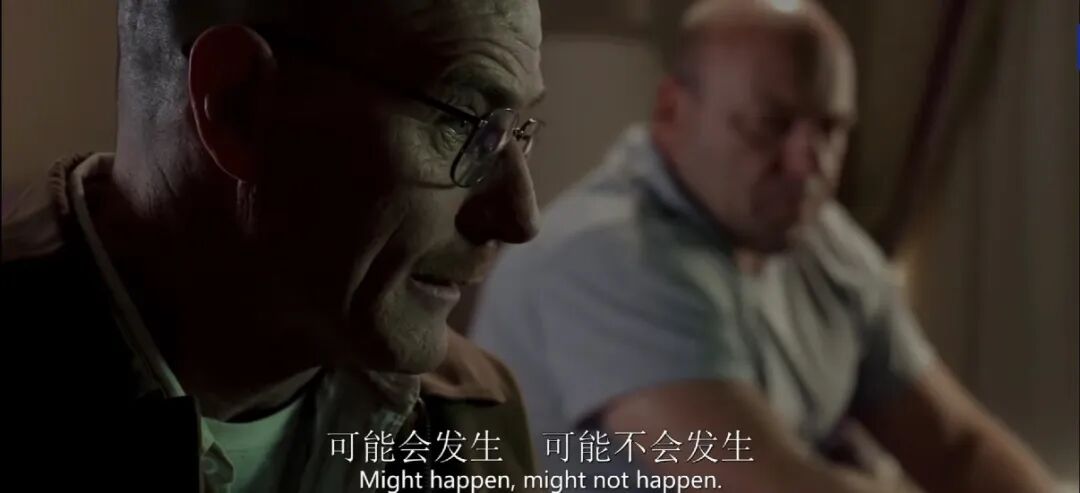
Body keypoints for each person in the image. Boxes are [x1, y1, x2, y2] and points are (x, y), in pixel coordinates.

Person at [469, 1, 1059, 492]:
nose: (810, 164)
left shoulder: (819, 239)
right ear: (672, 111)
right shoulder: (606, 255)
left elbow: (956, 447)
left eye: (831, 128)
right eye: (771, 124)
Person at [2, 0, 547, 491]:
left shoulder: (473, 410)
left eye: (515, 133)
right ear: (236, 105)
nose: (520, 219)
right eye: (463, 124)